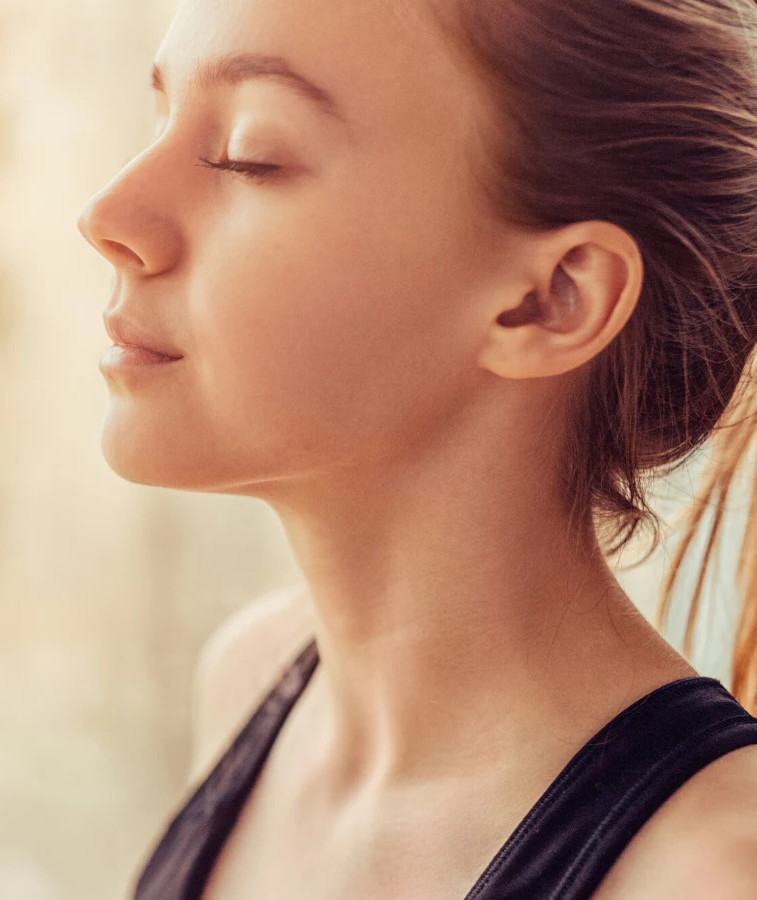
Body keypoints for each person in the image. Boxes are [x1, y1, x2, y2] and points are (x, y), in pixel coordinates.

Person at [76, 0, 757, 897]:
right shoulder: (250, 684)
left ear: (551, 299)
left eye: (250, 154)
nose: (108, 213)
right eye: (160, 118)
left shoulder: (711, 868)